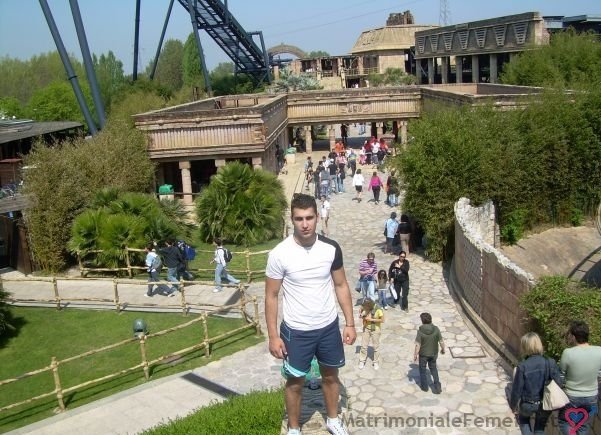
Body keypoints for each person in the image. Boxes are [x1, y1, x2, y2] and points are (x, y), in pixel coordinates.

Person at [265, 193, 356, 435]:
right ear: (292, 219)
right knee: (295, 382)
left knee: (331, 376)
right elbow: (271, 296)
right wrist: (273, 336)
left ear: (317, 217)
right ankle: (294, 428)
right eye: (299, 219)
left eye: (309, 218)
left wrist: (350, 323)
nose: (305, 224)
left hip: (328, 327)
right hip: (296, 331)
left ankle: (333, 419)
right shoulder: (279, 254)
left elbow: (341, 285)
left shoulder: (330, 248)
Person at [509, 332, 562, 435]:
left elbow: (517, 390)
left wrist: (513, 406)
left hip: (527, 404)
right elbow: (559, 382)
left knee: (524, 421)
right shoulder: (550, 362)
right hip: (544, 403)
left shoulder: (522, 366)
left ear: (525, 346)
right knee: (540, 428)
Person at [558, 320, 601, 435]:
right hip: (591, 396)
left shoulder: (568, 353)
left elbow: (561, 374)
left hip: (572, 396)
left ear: (573, 336)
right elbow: (600, 373)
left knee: (565, 422)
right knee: (583, 424)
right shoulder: (599, 351)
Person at [414, 312, 445, 394]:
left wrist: (415, 355)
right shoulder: (436, 329)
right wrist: (443, 349)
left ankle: (424, 387)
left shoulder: (420, 331)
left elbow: (418, 345)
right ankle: (437, 386)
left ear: (422, 321)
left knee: (422, 370)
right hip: (434, 353)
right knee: (433, 369)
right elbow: (441, 341)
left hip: (423, 355)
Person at [358, 298, 384, 370]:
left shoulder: (378, 309)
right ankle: (362, 361)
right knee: (363, 346)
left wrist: (371, 319)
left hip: (375, 329)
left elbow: (382, 320)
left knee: (376, 347)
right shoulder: (365, 306)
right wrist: (361, 314)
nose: (365, 307)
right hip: (366, 328)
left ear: (370, 305)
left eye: (366, 306)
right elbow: (361, 309)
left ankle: (376, 362)